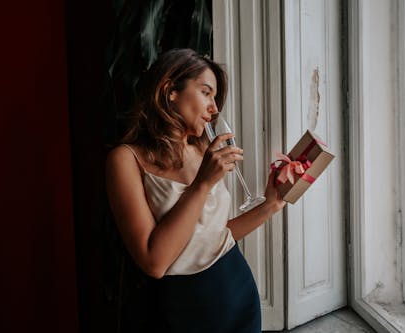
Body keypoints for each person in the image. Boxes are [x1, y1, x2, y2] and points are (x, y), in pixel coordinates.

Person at [106, 48, 285, 333]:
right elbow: (154, 263)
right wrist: (202, 184)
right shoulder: (125, 159)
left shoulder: (204, 149)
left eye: (215, 97)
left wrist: (271, 204)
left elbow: (213, 236)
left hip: (238, 291)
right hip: (183, 309)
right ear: (169, 90)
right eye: (206, 92)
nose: (214, 108)